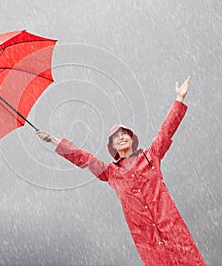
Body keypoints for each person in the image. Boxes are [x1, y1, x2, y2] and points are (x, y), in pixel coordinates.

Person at [36, 77, 206, 265]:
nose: (121, 137)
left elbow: (166, 131)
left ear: (132, 139)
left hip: (171, 226)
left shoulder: (151, 155)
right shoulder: (110, 172)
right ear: (113, 146)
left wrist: (179, 99)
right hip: (147, 239)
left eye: (124, 134)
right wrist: (54, 140)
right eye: (116, 137)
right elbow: (84, 158)